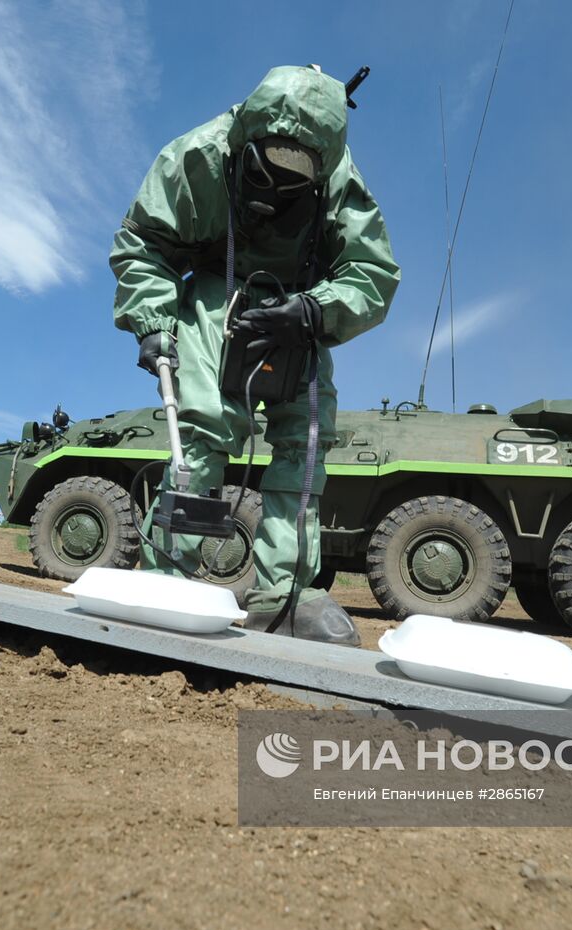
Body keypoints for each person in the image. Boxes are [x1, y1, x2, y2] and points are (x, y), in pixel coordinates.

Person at [110, 65, 399, 645]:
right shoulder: (197, 157)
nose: (276, 188)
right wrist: (152, 321)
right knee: (200, 433)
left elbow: (370, 272)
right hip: (218, 291)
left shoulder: (340, 178)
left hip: (300, 308)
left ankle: (286, 597)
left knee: (305, 442)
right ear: (246, 140)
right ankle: (169, 575)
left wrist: (315, 313)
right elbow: (146, 242)